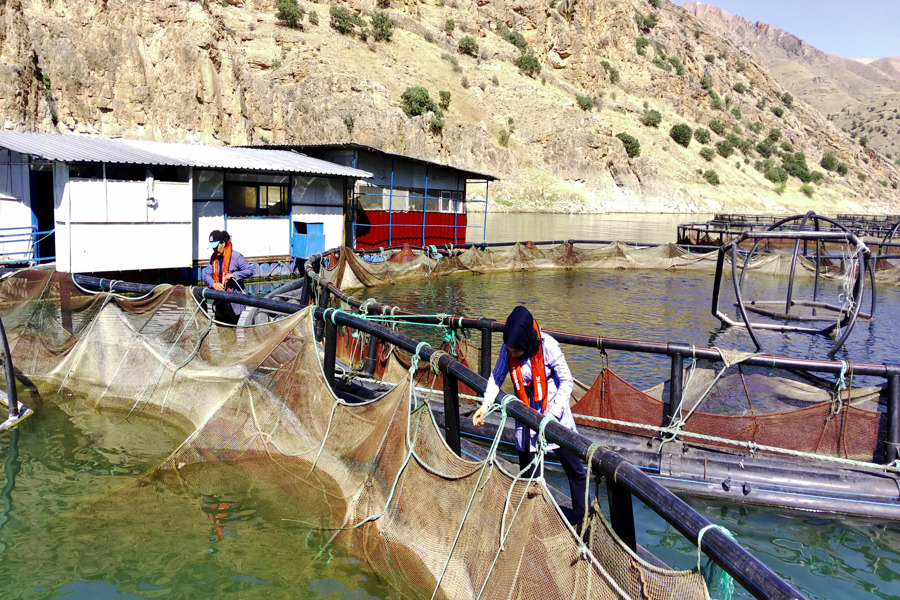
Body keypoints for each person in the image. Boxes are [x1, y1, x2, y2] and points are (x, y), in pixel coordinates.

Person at [472, 305, 587, 526]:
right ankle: (531, 520)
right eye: (510, 349)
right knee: (529, 472)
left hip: (554, 417)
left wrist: (552, 414)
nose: (512, 353)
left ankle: (582, 521)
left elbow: (567, 381)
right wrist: (485, 405)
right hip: (526, 419)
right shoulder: (509, 348)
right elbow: (497, 377)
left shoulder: (548, 346)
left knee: (575, 470)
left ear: (527, 339)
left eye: (516, 350)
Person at [202, 230, 253, 325]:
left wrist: (234, 275)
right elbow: (207, 275)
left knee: (231, 330)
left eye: (216, 247)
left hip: (233, 302)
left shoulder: (236, 256)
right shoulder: (213, 258)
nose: (214, 250)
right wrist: (213, 283)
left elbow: (249, 270)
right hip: (218, 301)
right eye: (212, 248)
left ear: (223, 243)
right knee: (220, 330)